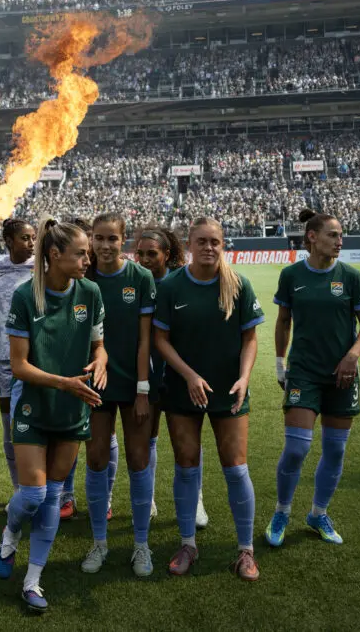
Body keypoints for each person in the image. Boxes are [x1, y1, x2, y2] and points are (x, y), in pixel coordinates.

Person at [0, 216, 107, 613]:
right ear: (55, 255)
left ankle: (33, 580)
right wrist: (65, 383)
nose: (87, 260)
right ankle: (9, 530)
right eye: (80, 253)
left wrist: (102, 361)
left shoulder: (90, 292)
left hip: (73, 408)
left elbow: (99, 345)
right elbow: (19, 366)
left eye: (88, 253)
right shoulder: (27, 297)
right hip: (33, 406)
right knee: (35, 494)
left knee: (53, 497)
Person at [153, 216, 264, 581]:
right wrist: (188, 375)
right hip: (184, 389)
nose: (209, 247)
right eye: (201, 241)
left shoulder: (237, 285)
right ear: (189, 244)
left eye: (215, 241)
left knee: (236, 467)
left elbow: (250, 338)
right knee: (186, 464)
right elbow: (160, 340)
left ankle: (245, 551)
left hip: (229, 390)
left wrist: (245, 377)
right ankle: (188, 544)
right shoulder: (171, 286)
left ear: (223, 244)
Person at [264, 209, 360, 547]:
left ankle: (317, 512)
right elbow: (283, 322)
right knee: (297, 448)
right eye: (333, 235)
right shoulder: (291, 275)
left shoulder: (351, 276)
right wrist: (280, 364)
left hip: (343, 374)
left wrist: (352, 357)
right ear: (312, 237)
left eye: (341, 236)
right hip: (304, 372)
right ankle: (282, 511)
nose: (340, 241)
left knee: (335, 451)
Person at [77, 213, 158, 577]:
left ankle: (141, 544)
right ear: (90, 241)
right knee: (96, 459)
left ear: (123, 241)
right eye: (99, 238)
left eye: (112, 239)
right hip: (96, 382)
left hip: (135, 383)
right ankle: (99, 541)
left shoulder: (139, 277)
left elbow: (145, 340)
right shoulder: (82, 276)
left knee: (139, 459)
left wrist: (143, 389)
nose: (105, 245)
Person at [134, 224, 209, 527]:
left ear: (166, 254)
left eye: (151, 254)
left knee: (188, 442)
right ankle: (148, 497)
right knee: (148, 437)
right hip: (147, 372)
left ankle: (197, 499)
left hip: (180, 373)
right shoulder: (136, 282)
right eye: (139, 254)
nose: (145, 260)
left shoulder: (181, 282)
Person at [58, 216, 118, 520]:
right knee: (68, 435)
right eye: (85, 246)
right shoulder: (66, 279)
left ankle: (103, 498)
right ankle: (64, 496)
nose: (90, 253)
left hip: (103, 368)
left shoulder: (95, 285)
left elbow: (100, 340)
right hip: (67, 373)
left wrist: (101, 357)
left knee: (104, 440)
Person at [0, 218, 36, 495]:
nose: (30, 243)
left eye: (33, 238)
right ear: (8, 241)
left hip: (35, 357)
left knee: (37, 420)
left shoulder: (41, 268)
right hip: (4, 359)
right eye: (25, 238)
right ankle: (19, 488)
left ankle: (44, 486)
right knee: (10, 427)